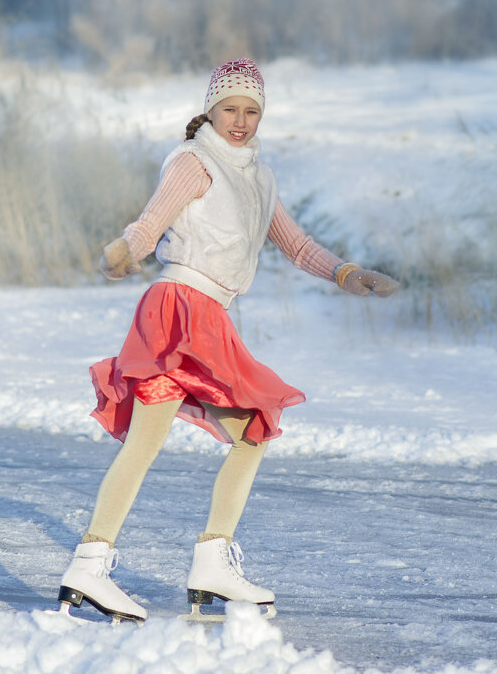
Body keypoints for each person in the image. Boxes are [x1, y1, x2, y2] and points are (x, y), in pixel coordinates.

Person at [58, 58, 398, 623]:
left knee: (250, 432)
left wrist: (345, 273)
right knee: (161, 440)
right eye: (230, 109)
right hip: (177, 309)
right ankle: (96, 567)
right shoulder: (194, 161)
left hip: (209, 316)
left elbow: (295, 243)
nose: (240, 121)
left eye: (251, 111)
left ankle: (202, 562)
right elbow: (152, 218)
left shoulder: (258, 177)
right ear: (210, 110)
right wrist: (124, 251)